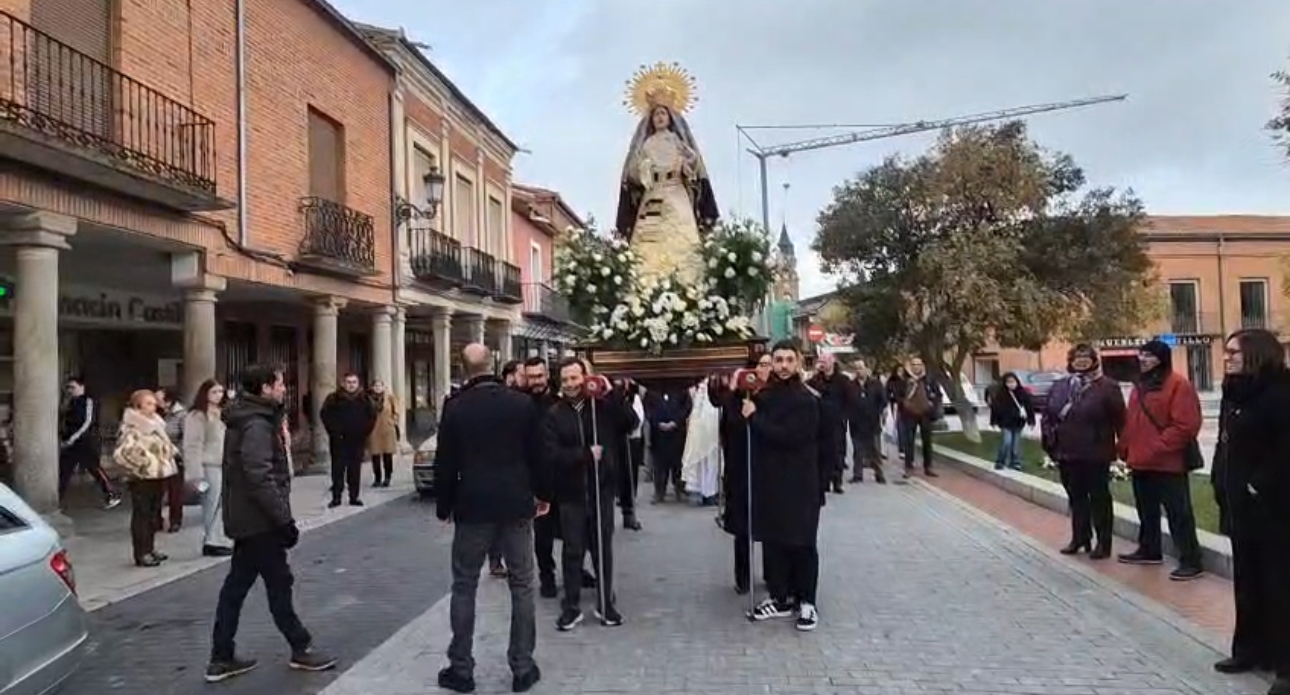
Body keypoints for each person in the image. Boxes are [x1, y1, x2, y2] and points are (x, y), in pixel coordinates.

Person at [205, 364, 335, 683]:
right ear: (264, 387)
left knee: (236, 588)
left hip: (248, 519)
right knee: (279, 583)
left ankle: (221, 657)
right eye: (278, 383)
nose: (283, 388)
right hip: (259, 522)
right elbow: (259, 476)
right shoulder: (256, 424)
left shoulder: (251, 418)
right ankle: (300, 647)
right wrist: (283, 520)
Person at [435, 344, 550, 694]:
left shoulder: (455, 408)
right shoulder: (521, 403)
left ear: (464, 369)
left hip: (472, 507)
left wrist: (444, 506)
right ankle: (522, 666)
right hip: (516, 503)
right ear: (494, 365)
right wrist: (542, 494)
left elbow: (445, 463)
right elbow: (538, 453)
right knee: (522, 584)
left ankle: (461, 669)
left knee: (464, 584)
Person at [1209, 329, 1290, 695]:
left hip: (1274, 509)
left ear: (1255, 354)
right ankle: (1249, 650)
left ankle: (1284, 666)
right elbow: (1227, 443)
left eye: (1233, 352)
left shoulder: (1280, 395)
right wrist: (1219, 481)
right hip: (1240, 506)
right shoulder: (1234, 393)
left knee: (1279, 586)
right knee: (1248, 581)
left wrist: (1259, 484)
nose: (1227, 358)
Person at [544, 357, 638, 631]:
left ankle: (605, 603)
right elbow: (551, 454)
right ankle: (571, 607)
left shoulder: (603, 407)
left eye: (575, 378)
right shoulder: (554, 413)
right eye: (566, 380)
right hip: (571, 494)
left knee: (602, 550)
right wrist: (584, 455)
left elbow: (630, 422)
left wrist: (611, 393)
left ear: (587, 377)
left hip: (601, 490)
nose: (571, 384)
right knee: (573, 551)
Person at [747, 340, 829, 631]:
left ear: (798, 364)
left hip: (801, 482)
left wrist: (755, 419)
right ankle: (780, 597)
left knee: (802, 542)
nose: (782, 366)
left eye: (788, 360)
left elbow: (789, 437)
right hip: (771, 481)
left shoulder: (806, 399)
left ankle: (806, 601)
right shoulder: (764, 396)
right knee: (775, 541)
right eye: (778, 360)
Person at [1118, 340, 1205, 580]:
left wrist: (1157, 448)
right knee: (1146, 511)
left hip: (1168, 464)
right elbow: (1132, 419)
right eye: (1142, 355)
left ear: (1162, 358)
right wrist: (1124, 447)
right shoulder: (1140, 386)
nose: (1143, 359)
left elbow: (1185, 425)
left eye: (1149, 356)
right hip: (1140, 461)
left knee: (1179, 514)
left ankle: (1190, 560)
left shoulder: (1178, 384)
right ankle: (1149, 549)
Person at [614, 88, 719, 287]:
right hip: (653, 196)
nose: (659, 117)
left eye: (663, 113)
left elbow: (694, 162)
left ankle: (688, 284)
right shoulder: (646, 144)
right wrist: (643, 169)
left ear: (670, 118)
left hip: (677, 193)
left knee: (683, 240)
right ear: (651, 119)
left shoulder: (677, 141)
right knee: (648, 244)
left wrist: (686, 164)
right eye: (656, 114)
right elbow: (632, 172)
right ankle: (645, 284)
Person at [1040, 344, 1125, 560]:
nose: (1081, 361)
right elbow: (1048, 414)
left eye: (1086, 357)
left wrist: (1123, 450)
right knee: (1076, 498)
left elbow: (1121, 422)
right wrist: (1050, 441)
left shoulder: (1108, 387)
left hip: (1096, 454)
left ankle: (1103, 543)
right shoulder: (1060, 386)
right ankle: (1080, 537)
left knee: (1099, 499)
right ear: (1070, 360)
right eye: (1077, 357)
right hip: (1067, 453)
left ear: (1094, 360)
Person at [709, 353, 773, 594]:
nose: (764, 370)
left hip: (767, 469)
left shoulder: (774, 395)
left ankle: (772, 573)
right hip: (741, 470)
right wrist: (735, 389)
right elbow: (727, 426)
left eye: (768, 365)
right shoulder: (736, 398)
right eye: (760, 366)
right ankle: (743, 577)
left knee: (770, 526)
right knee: (743, 528)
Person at [113, 389, 179, 567]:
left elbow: (165, 444)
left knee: (153, 513)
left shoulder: (157, 422)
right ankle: (141, 553)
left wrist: (167, 454)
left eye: (154, 403)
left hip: (158, 473)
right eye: (148, 403)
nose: (153, 406)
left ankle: (150, 548)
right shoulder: (132, 424)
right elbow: (124, 451)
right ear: (138, 405)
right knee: (141, 514)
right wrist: (144, 462)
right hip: (141, 476)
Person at [183, 379, 231, 557]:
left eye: (221, 392)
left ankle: (218, 538)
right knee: (212, 503)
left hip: (223, 463)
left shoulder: (221, 413)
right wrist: (195, 474)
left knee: (223, 503)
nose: (219, 395)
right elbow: (192, 445)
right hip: (208, 465)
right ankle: (212, 540)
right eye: (214, 392)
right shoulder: (197, 416)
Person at [59, 376, 119, 509]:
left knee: (95, 469)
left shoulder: (88, 401)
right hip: (72, 442)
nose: (70, 390)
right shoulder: (71, 402)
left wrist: (72, 438)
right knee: (64, 470)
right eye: (68, 387)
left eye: (73, 387)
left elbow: (87, 422)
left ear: (82, 387)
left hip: (86, 442)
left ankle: (111, 493)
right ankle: (57, 499)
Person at [320, 373, 377, 507]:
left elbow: (372, 417)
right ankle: (336, 497)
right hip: (338, 441)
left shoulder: (364, 399)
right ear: (343, 383)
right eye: (348, 382)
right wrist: (333, 432)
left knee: (355, 470)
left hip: (357, 440)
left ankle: (354, 496)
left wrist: (364, 432)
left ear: (358, 384)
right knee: (338, 470)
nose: (351, 385)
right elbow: (325, 415)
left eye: (354, 382)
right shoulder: (333, 399)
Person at [808, 353, 853, 493]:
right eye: (821, 361)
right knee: (822, 452)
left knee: (838, 452)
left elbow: (850, 399)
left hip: (837, 422)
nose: (823, 364)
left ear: (833, 362)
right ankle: (824, 481)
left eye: (826, 361)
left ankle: (837, 481)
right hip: (819, 422)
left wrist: (844, 415)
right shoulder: (814, 381)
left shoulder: (843, 380)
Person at [894, 357, 942, 479]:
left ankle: (928, 466)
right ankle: (909, 467)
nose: (916, 367)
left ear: (922, 366)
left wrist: (933, 404)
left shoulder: (928, 379)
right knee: (909, 441)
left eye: (918, 364)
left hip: (925, 414)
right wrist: (904, 405)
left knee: (927, 441)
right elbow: (897, 395)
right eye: (914, 364)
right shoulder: (905, 380)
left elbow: (938, 394)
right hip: (910, 414)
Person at [644, 384, 692, 503]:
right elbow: (647, 409)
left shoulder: (682, 388)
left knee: (678, 462)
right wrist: (657, 422)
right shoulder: (651, 390)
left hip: (677, 432)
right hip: (658, 433)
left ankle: (679, 489)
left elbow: (687, 407)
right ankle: (659, 491)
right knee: (659, 464)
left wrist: (676, 422)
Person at [848, 360, 887, 484]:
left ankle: (879, 474)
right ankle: (857, 475)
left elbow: (883, 401)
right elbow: (847, 402)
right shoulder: (851, 385)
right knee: (858, 450)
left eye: (861, 368)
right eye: (856, 368)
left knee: (875, 450)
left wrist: (879, 412)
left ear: (866, 369)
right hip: (856, 423)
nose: (859, 370)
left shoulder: (875, 384)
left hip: (873, 422)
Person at [988, 372, 1035, 471]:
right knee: (1007, 442)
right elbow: (995, 409)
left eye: (1013, 382)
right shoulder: (1001, 395)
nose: (1011, 384)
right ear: (1005, 383)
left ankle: (1015, 462)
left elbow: (1029, 407)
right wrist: (993, 421)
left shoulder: (1022, 393)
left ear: (1017, 382)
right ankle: (1000, 461)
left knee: (1016, 444)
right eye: (1008, 382)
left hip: (1018, 423)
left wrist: (1031, 420)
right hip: (1005, 423)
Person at [156, 386, 187, 532]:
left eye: (159, 399)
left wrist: (177, 453)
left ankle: (175, 520)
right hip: (158, 456)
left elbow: (186, 437)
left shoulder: (181, 415)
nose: (156, 402)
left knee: (175, 491)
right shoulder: (158, 414)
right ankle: (156, 520)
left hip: (174, 456)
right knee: (157, 491)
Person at [617, 378, 644, 530]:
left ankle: (628, 513)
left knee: (627, 477)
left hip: (623, 440)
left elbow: (633, 420)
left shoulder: (629, 398)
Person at [366, 380, 400, 488]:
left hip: (387, 429)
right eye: (375, 385)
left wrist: (393, 421)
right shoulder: (368, 399)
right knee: (375, 455)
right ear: (372, 387)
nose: (377, 388)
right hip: (373, 429)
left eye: (380, 385)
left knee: (387, 455)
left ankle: (388, 477)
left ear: (383, 387)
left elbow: (397, 411)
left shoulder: (389, 398)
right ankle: (377, 478)